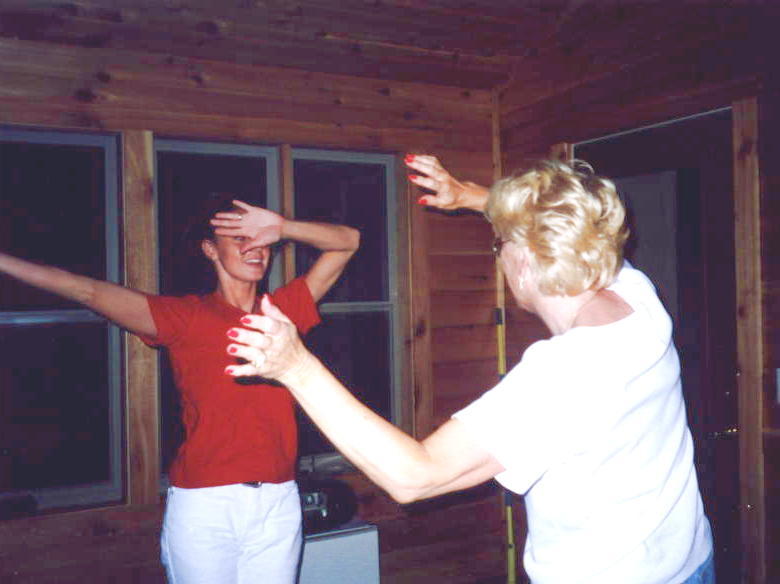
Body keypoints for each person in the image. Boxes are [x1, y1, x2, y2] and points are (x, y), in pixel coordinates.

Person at [225, 155, 715, 584]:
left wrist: (296, 366)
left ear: (524, 263)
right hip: (688, 562)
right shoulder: (636, 295)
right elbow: (562, 223)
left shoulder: (564, 374)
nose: (500, 254)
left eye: (500, 245)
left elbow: (416, 476)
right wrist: (466, 196)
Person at [0, 195, 359, 583]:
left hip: (278, 501)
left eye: (261, 240)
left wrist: (283, 227)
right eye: (240, 239)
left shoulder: (282, 312)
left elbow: (348, 242)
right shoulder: (185, 317)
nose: (256, 249)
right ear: (210, 250)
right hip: (207, 505)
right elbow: (85, 290)